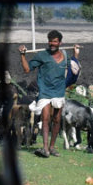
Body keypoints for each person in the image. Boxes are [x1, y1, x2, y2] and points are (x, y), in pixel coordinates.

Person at [18, 30, 80, 158]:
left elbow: (73, 70)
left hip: (59, 91)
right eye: (50, 41)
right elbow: (27, 69)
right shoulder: (42, 56)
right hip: (45, 92)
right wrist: (22, 55)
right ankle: (45, 149)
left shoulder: (65, 55)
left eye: (55, 41)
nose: (52, 43)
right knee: (45, 119)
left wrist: (76, 55)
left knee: (57, 120)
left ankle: (52, 147)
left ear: (60, 42)